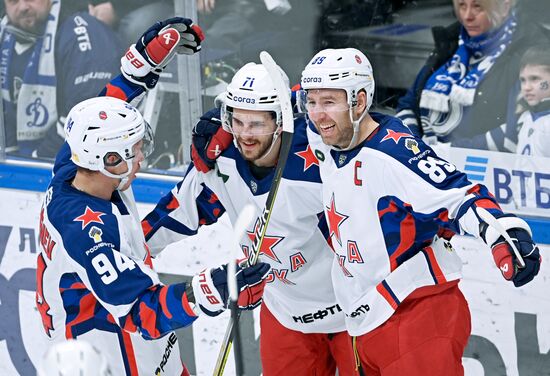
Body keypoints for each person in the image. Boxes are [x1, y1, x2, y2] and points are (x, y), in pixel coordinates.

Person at [36, 18, 271, 375]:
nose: (141, 157)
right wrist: (210, 290)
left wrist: (139, 69)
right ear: (108, 159)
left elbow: (102, 112)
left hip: (139, 346)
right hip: (111, 357)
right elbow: (141, 311)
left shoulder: (77, 166)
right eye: (133, 150)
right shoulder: (86, 233)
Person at [297, 47, 541, 374]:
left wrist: (503, 235)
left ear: (358, 101)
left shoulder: (393, 152)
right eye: (311, 102)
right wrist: (223, 126)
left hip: (415, 316)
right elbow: (273, 110)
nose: (317, 114)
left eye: (328, 102)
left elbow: (459, 194)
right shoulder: (329, 134)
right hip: (363, 320)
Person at [143, 62, 359, 375]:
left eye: (256, 124)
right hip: (286, 315)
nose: (244, 134)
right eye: (236, 120)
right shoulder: (220, 158)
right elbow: (173, 216)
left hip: (351, 313)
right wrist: (124, 253)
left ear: (281, 120)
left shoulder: (320, 155)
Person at [395, 0, 545, 148]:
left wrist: (448, 153)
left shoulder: (531, 51)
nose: (467, 16)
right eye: (462, 5)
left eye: (477, 6)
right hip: (427, 161)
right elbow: (407, 104)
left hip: (482, 166)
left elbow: (520, 128)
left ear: (504, 7)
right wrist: (414, 147)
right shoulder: (452, 41)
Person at [0, 0, 123, 158]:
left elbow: (90, 114)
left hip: (82, 160)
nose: (23, 7)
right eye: (13, 1)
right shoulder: (6, 37)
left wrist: (39, 158)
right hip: (20, 163)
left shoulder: (82, 32)